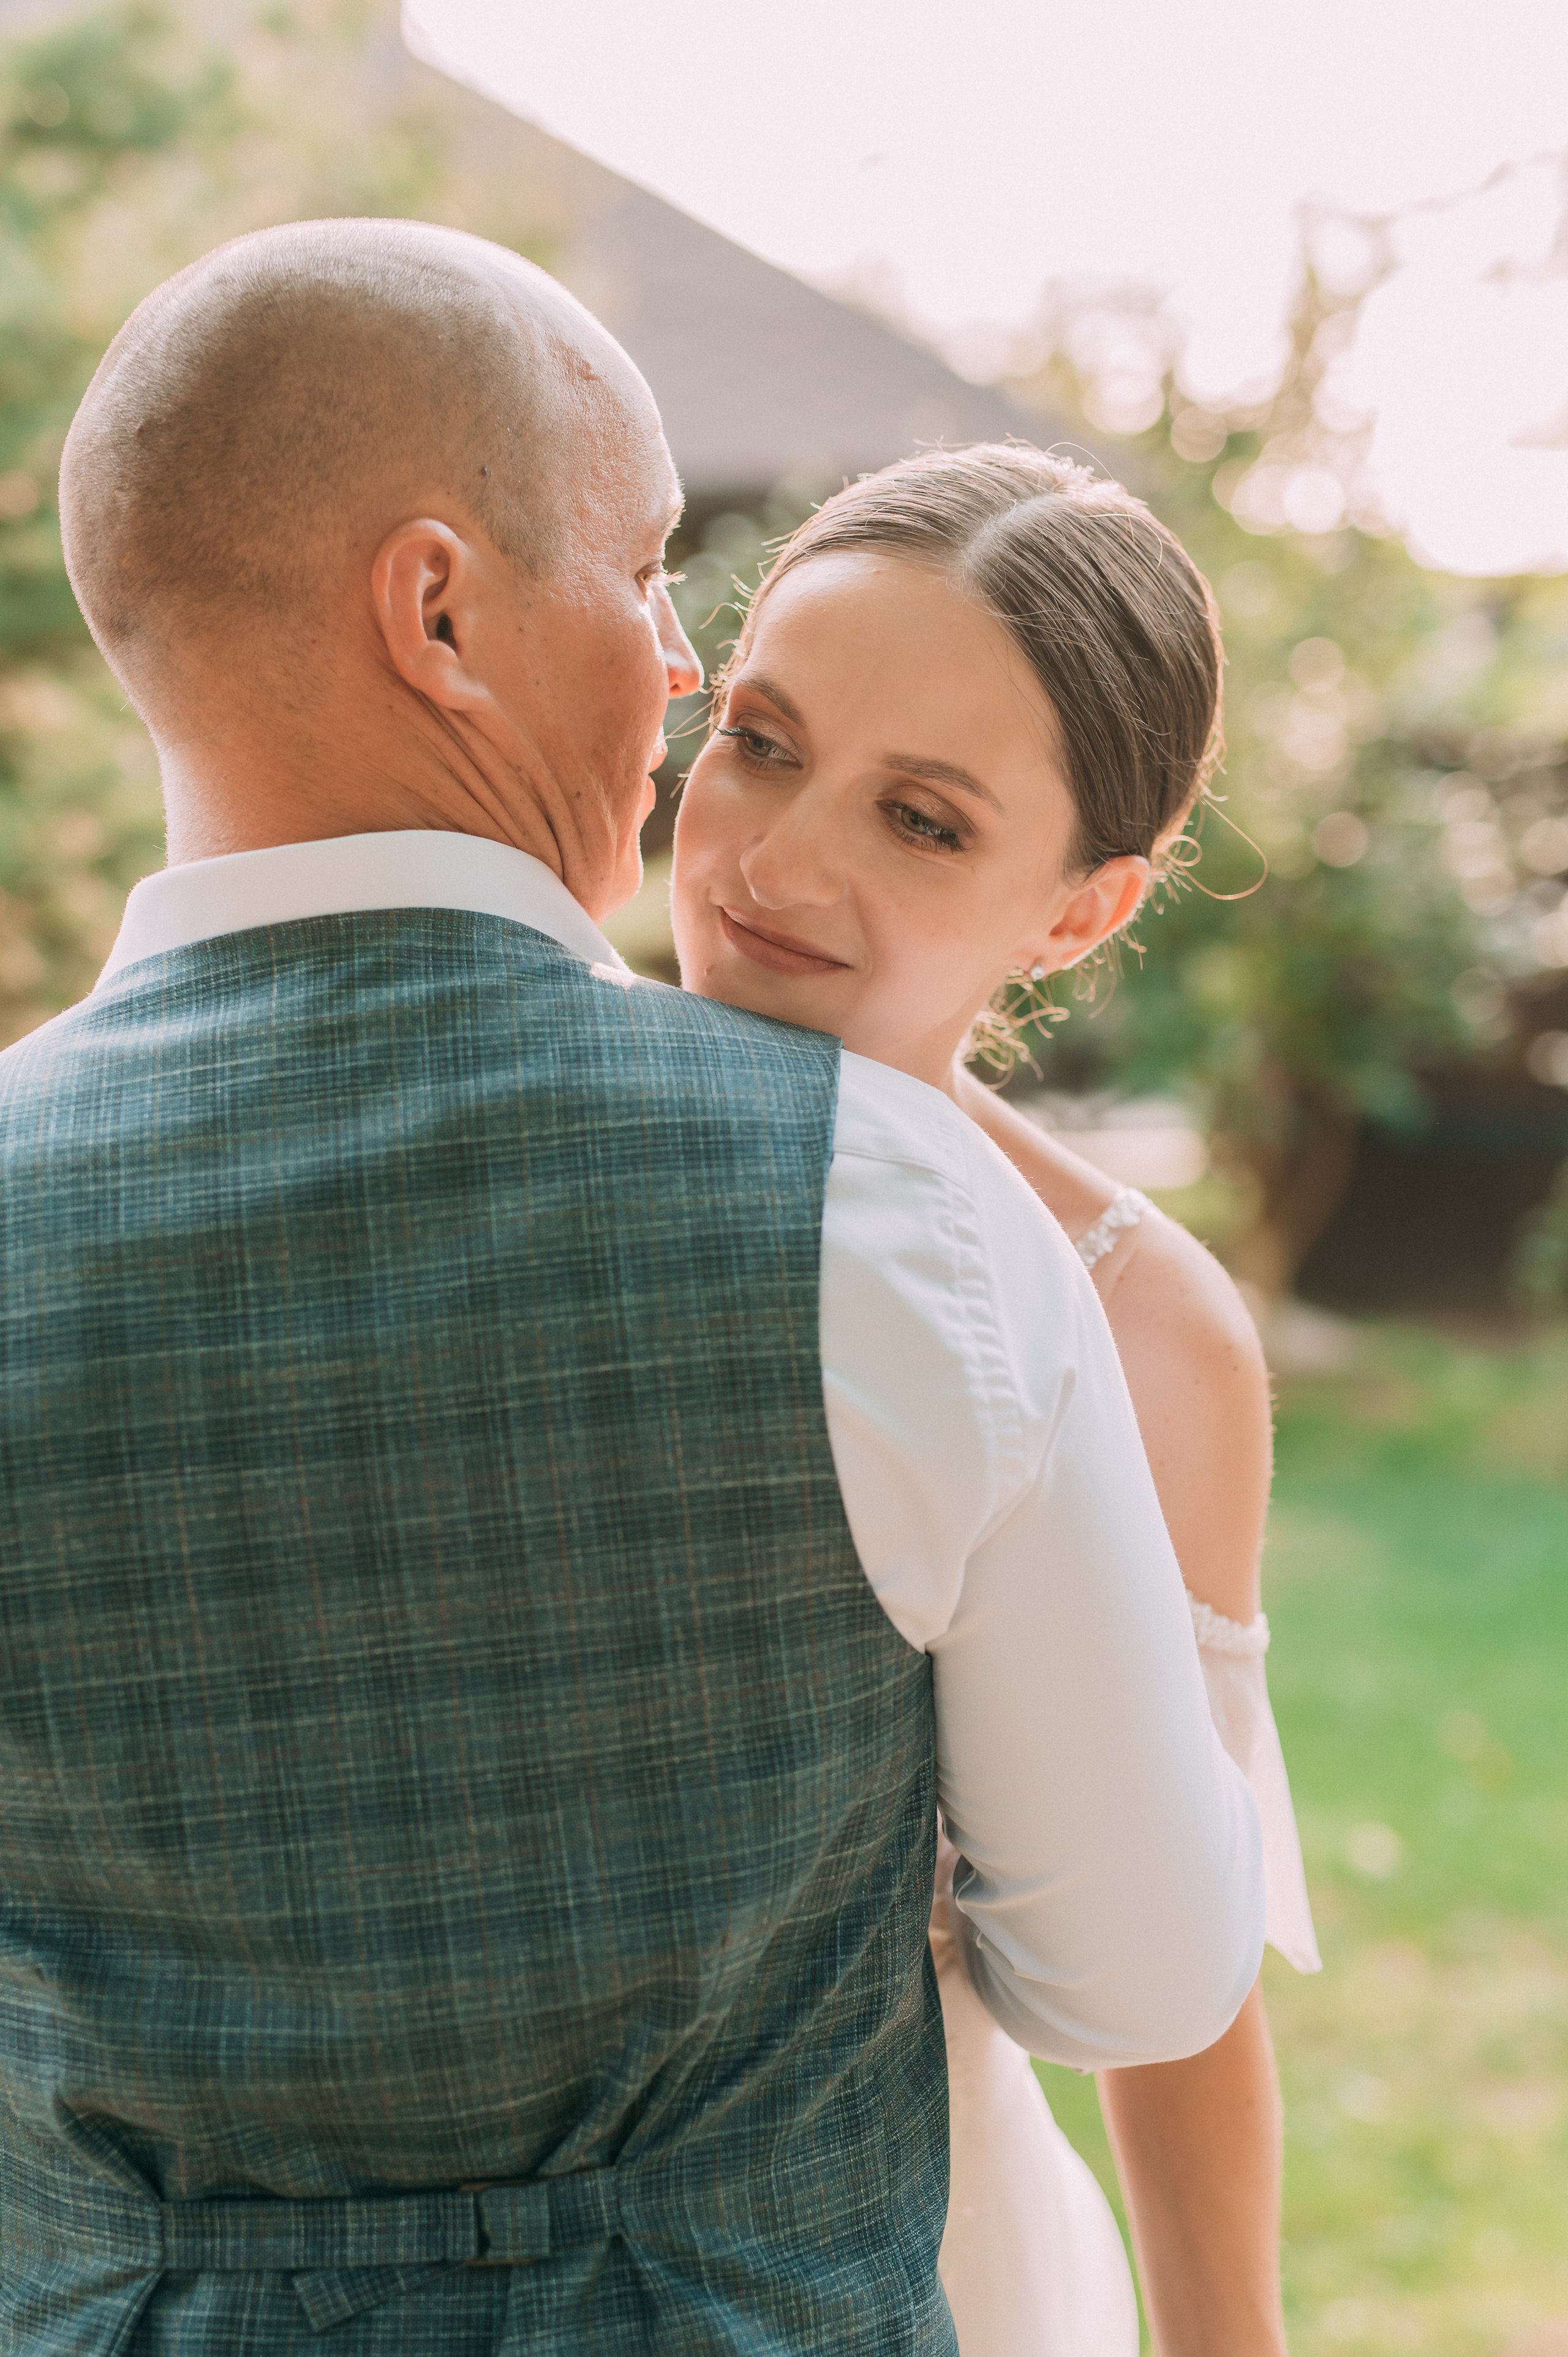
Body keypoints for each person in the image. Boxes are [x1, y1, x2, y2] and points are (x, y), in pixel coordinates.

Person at [0, 224, 1262, 2356]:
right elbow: (1137, 1973)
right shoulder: (899, 1211)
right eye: (649, 566)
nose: (675, 673)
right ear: (440, 609)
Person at [668, 444, 1321, 2357]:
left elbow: (1182, 1976)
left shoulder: (1139, 1328)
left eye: (925, 823)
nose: (781, 863)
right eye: (764, 743)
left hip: (920, 2257)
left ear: (1081, 914)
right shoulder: (506, 1129)